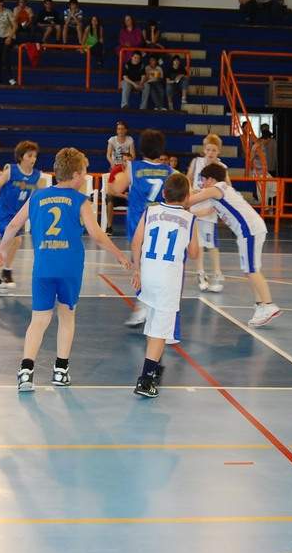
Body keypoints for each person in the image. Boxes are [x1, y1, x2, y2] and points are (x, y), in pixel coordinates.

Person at [0, 147, 130, 391]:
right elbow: (97, 234)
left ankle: (26, 372)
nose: (85, 177)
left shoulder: (37, 196)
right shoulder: (80, 200)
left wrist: (2, 251)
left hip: (43, 268)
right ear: (76, 175)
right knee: (66, 317)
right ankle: (60, 370)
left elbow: (13, 225)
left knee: (39, 319)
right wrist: (119, 254)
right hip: (70, 269)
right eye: (84, 172)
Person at [130, 172, 200, 398]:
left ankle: (155, 365)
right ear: (187, 197)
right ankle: (146, 379)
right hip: (168, 280)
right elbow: (194, 253)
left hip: (147, 274)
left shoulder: (150, 211)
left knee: (153, 323)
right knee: (160, 330)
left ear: (163, 193)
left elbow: (136, 242)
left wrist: (137, 269)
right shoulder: (190, 219)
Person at [188, 163, 281, 327]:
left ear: (211, 179)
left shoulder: (217, 188)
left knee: (251, 270)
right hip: (251, 230)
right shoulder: (221, 192)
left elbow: (190, 200)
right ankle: (260, 305)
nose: (201, 183)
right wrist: (188, 213)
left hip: (249, 230)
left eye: (203, 179)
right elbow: (203, 211)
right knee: (250, 270)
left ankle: (268, 305)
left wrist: (176, 197)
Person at [108, 129, 174, 326]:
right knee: (153, 266)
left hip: (139, 225)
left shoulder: (133, 168)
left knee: (140, 267)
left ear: (142, 148)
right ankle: (150, 304)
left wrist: (119, 176)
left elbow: (114, 188)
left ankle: (143, 306)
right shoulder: (169, 171)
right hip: (161, 224)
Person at [0, 141, 40, 290]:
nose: (33, 159)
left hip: (17, 215)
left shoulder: (36, 175)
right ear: (21, 157)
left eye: (35, 156)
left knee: (12, 242)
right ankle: (5, 271)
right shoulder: (11, 170)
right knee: (14, 240)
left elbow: (33, 196)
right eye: (30, 156)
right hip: (4, 212)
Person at [187, 134, 228, 293]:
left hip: (210, 208)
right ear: (204, 150)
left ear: (219, 152)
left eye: (214, 150)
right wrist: (191, 190)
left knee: (212, 244)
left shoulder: (222, 167)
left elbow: (227, 187)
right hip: (195, 206)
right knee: (198, 243)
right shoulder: (196, 162)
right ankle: (200, 272)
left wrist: (219, 207)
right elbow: (188, 178)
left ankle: (217, 272)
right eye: (208, 149)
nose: (210, 153)